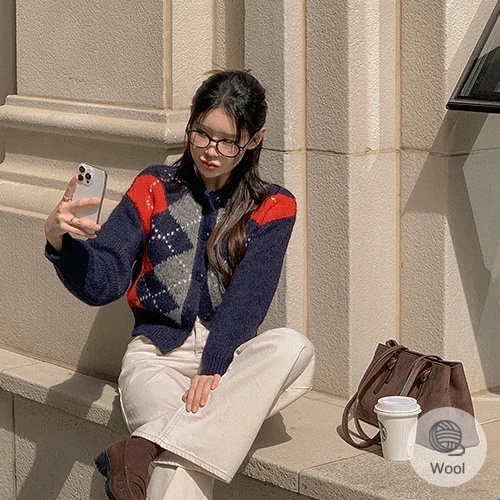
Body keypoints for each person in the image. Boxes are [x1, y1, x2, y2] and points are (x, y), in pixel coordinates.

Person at [44, 70, 315, 500]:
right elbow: (104, 280)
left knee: (295, 348)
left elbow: (249, 298)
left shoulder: (273, 206)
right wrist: (61, 241)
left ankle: (140, 449)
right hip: (156, 359)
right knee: (180, 466)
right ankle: (156, 446)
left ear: (255, 140)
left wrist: (213, 367)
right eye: (202, 133)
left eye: (228, 141)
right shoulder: (154, 187)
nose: (211, 151)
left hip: (229, 363)